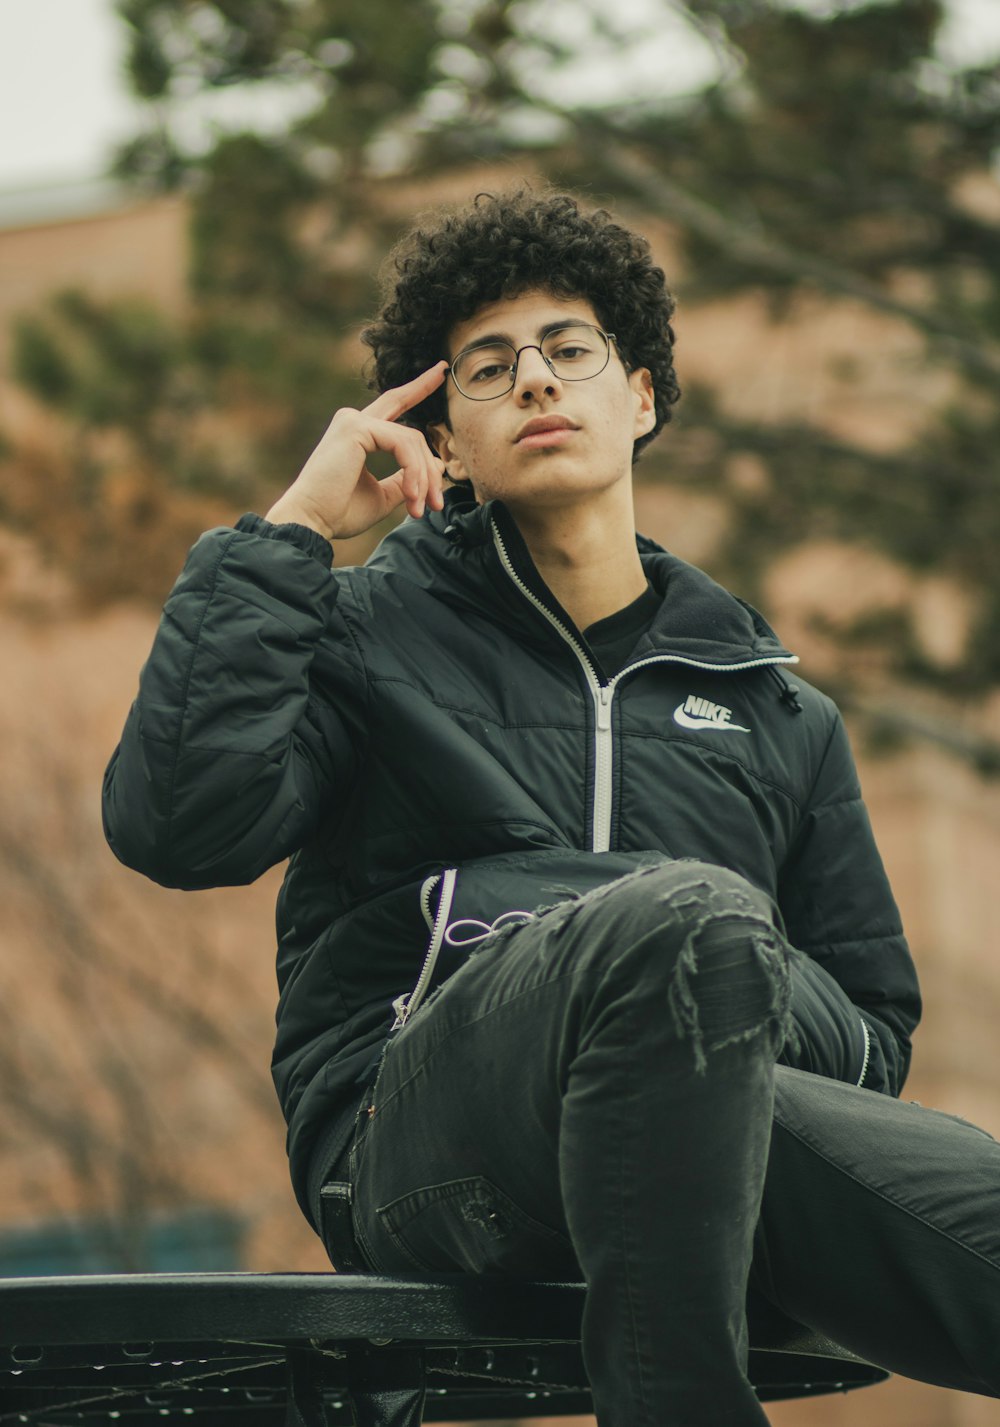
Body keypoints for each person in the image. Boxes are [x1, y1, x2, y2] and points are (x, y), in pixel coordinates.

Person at [103, 189, 1000, 1424]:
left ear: (639, 397)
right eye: (487, 366)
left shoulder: (776, 710)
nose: (534, 380)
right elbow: (177, 828)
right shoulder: (361, 635)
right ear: (448, 442)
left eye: (568, 350)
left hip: (696, 1131)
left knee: (704, 942)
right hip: (413, 1138)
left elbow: (871, 1043)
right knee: (678, 914)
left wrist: (708, 968)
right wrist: (297, 531)